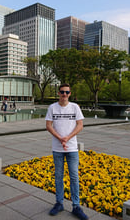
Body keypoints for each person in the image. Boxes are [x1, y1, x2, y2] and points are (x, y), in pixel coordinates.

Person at [45, 83, 88, 220]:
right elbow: (48, 125)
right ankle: (59, 203)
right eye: (62, 92)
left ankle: (76, 206)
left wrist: (67, 138)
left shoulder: (75, 107)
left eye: (67, 92)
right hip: (57, 148)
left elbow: (80, 125)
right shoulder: (52, 107)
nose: (64, 95)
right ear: (58, 93)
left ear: (70, 94)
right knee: (58, 176)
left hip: (72, 148)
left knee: (74, 176)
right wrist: (60, 138)